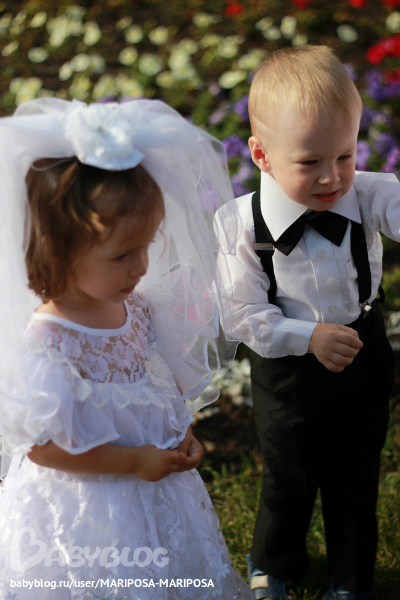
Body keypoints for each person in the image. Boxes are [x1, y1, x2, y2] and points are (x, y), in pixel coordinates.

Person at [0, 98, 253, 600]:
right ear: (60, 249)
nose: (141, 267)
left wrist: (180, 434)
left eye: (145, 246)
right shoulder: (49, 342)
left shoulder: (137, 309)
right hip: (93, 513)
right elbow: (44, 449)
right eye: (122, 255)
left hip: (158, 487)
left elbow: (156, 388)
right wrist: (133, 461)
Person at [215, 45, 399, 600]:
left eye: (345, 155)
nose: (332, 177)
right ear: (262, 154)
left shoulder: (368, 193)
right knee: (289, 471)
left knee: (356, 471)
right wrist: (308, 336)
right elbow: (242, 313)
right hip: (288, 366)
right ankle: (275, 562)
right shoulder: (242, 224)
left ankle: (351, 579)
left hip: (362, 351)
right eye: (310, 162)